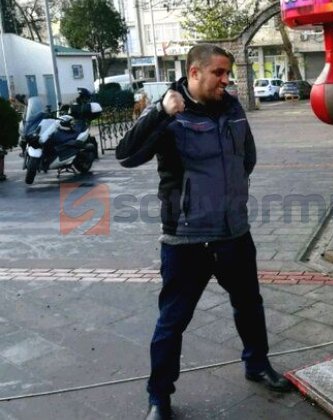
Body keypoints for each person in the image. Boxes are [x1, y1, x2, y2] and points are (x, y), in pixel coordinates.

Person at [116, 43, 291, 420]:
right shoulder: (170, 111)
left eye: (228, 73)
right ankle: (159, 396)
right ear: (194, 73)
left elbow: (247, 157)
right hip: (186, 239)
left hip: (234, 233)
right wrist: (160, 113)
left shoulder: (233, 108)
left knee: (249, 304)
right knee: (172, 321)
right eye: (219, 73)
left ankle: (257, 364)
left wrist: (230, 196)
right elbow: (126, 155)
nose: (226, 80)